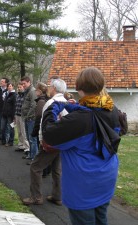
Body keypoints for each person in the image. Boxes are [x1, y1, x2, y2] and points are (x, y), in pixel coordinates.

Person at [42, 67, 120, 225]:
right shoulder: (111, 109)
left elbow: (49, 134)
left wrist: (54, 107)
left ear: (79, 88)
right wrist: (74, 106)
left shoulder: (78, 120)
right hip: (106, 177)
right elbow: (91, 114)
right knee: (101, 219)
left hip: (84, 185)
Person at [23, 77, 67, 205]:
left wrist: (42, 140)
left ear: (54, 88)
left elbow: (44, 123)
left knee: (35, 167)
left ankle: (36, 197)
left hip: (51, 141)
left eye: (50, 86)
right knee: (57, 169)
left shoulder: (51, 103)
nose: (48, 88)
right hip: (62, 142)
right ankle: (57, 196)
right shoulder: (67, 103)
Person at [30, 82, 50, 174]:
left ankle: (44, 171)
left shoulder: (41, 102)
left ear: (40, 91)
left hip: (42, 129)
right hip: (47, 128)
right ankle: (47, 170)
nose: (35, 91)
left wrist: (35, 131)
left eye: (36, 90)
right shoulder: (46, 99)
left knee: (42, 150)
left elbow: (38, 117)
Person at [21, 76, 38, 162]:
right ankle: (31, 155)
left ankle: (34, 158)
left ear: (29, 82)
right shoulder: (27, 91)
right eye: (22, 84)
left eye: (24, 83)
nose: (23, 85)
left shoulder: (32, 91)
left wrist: (27, 116)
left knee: (32, 139)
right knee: (29, 138)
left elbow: (33, 105)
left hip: (31, 118)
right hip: (27, 118)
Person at [14, 82, 30, 152]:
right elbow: (16, 105)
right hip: (17, 114)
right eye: (18, 87)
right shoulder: (17, 95)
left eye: (20, 87)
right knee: (19, 131)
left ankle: (27, 147)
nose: (19, 88)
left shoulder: (26, 96)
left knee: (24, 132)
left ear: (23, 87)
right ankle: (21, 145)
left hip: (22, 115)